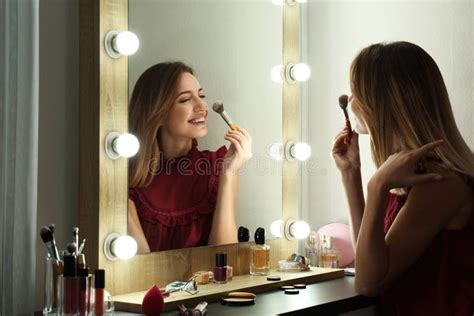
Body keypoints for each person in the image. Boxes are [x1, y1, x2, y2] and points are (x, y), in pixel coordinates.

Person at [332, 42, 474, 315]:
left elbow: (367, 282)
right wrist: (350, 173)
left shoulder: (437, 183)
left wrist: (377, 187)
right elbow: (370, 259)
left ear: (382, 103)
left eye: (357, 91)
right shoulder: (410, 178)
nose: (350, 101)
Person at [128, 62, 252, 253]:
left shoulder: (218, 165)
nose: (202, 106)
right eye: (185, 99)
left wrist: (228, 173)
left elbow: (224, 256)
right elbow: (139, 269)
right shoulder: (129, 178)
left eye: (201, 96)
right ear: (157, 113)